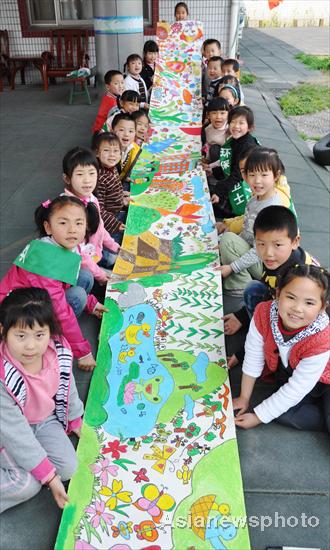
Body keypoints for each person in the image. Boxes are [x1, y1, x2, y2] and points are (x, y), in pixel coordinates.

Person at [0, 196, 108, 371]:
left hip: (39, 298)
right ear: (48, 227)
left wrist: (92, 304)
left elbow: (63, 283)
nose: (72, 230)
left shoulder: (56, 246)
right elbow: (60, 308)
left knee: (85, 276)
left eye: (79, 223)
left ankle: (66, 328)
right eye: (63, 223)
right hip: (20, 315)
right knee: (77, 296)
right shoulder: (44, 262)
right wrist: (83, 353)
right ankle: (52, 335)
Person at [0, 287, 84, 512]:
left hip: (43, 421)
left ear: (50, 332)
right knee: (27, 485)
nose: (30, 346)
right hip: (6, 431)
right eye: (20, 336)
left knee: (67, 468)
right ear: (3, 331)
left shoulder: (58, 351)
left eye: (39, 335)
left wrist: (75, 419)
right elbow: (15, 433)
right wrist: (48, 478)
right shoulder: (2, 375)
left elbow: (68, 386)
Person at [233, 264, 330, 432]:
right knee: (281, 413)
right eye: (291, 297)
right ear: (278, 294)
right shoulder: (263, 313)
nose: (297, 308)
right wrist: (244, 397)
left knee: (273, 408)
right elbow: (253, 356)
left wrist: (257, 417)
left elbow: (298, 387)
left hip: (325, 381)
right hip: (297, 377)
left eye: (309, 302)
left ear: (322, 307)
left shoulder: (321, 337)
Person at [224, 206, 319, 367]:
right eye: (261, 244)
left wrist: (242, 354)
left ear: (295, 242)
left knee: (282, 358)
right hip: (286, 307)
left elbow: (275, 320)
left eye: (277, 245)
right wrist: (241, 317)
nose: (268, 253)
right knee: (254, 289)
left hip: (306, 328)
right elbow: (266, 287)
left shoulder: (294, 280)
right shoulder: (279, 260)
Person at [218, 147, 292, 295]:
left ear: (276, 176)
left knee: (227, 240)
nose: (257, 181)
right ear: (245, 175)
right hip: (256, 254)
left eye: (264, 175)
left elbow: (261, 251)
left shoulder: (272, 209)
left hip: (267, 264)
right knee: (224, 240)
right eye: (252, 174)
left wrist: (232, 267)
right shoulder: (254, 200)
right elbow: (246, 232)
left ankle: (240, 285)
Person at [62, 147, 120, 282]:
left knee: (119, 259)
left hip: (94, 253)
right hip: (79, 264)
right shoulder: (68, 211)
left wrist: (114, 246)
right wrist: (99, 275)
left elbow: (100, 227)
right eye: (80, 174)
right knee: (88, 278)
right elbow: (79, 252)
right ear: (67, 178)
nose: (87, 180)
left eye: (92, 173)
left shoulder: (91, 198)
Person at [211, 106, 258, 218]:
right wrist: (211, 168)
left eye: (241, 123)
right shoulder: (237, 139)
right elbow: (229, 162)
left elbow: (238, 175)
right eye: (233, 122)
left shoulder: (247, 146)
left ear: (250, 127)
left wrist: (219, 192)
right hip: (235, 178)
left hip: (243, 188)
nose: (236, 126)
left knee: (210, 204)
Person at [93, 132, 127, 245]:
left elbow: (113, 189)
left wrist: (122, 196)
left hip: (116, 211)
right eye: (106, 150)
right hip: (108, 224)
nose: (112, 155)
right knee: (112, 257)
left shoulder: (112, 167)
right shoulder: (100, 177)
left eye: (116, 151)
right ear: (97, 153)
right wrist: (115, 224)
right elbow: (99, 209)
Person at [201, 97, 230, 192]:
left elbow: (228, 156)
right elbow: (207, 145)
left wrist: (211, 167)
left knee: (215, 149)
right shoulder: (207, 129)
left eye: (222, 113)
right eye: (214, 113)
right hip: (212, 162)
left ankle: (217, 181)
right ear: (208, 115)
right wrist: (205, 159)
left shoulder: (229, 131)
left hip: (225, 164)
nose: (218, 117)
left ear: (228, 114)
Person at [92, 70, 124, 134]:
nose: (120, 86)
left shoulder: (111, 96)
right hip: (102, 133)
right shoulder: (112, 103)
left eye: (122, 82)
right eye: (116, 83)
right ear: (107, 86)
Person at [112, 113, 141, 184]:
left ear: (135, 133)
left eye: (130, 131)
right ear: (112, 130)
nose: (126, 134)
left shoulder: (134, 149)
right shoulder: (107, 151)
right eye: (121, 130)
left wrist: (124, 177)